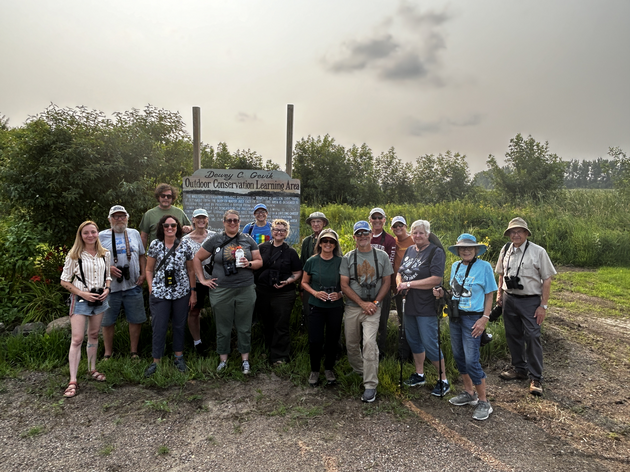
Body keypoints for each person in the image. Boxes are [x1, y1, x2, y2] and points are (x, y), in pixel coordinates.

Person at [434, 233, 498, 420]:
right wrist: (441, 294)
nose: (466, 250)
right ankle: (469, 393)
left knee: (472, 360)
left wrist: (484, 318)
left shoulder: (485, 267)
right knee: (459, 356)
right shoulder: (455, 266)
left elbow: (489, 294)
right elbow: (455, 293)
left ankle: (484, 401)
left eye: (469, 247)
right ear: (458, 251)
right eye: (462, 248)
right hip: (455, 317)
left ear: (476, 249)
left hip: (473, 319)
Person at [193, 210, 263, 374]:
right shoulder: (215, 239)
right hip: (221, 290)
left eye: (236, 221)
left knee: (244, 326)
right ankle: (223, 359)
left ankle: (244, 360)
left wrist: (249, 264)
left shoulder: (247, 239)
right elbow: (197, 258)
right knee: (222, 327)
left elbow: (259, 261)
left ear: (240, 222)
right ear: (224, 222)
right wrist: (203, 280)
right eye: (229, 221)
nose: (233, 223)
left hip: (245, 288)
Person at [496, 217, 556, 396]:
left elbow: (547, 279)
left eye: (519, 231)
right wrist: (500, 294)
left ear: (526, 233)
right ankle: (519, 369)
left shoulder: (538, 252)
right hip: (509, 298)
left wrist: (543, 306)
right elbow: (501, 274)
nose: (515, 235)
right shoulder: (505, 249)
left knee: (532, 336)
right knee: (512, 334)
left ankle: (536, 377)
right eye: (512, 232)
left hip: (530, 300)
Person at [340, 221, 393, 403]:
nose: (362, 236)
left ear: (371, 234)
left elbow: (387, 281)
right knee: (351, 343)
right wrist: (362, 303)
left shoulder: (382, 256)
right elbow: (344, 285)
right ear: (354, 237)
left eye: (366, 233)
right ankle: (359, 370)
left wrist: (375, 302)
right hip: (353, 307)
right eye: (359, 234)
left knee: (369, 343)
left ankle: (370, 384)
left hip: (373, 308)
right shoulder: (348, 257)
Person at [396, 219, 450, 397]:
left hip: (426, 305)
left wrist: (409, 285)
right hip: (409, 304)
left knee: (430, 343)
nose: (417, 236)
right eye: (415, 232)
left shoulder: (436, 252)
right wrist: (400, 284)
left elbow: (435, 279)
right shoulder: (410, 250)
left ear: (428, 234)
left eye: (421, 233)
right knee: (414, 340)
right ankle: (420, 374)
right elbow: (400, 272)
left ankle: (443, 379)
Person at [60, 221, 112, 397]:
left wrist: (107, 289)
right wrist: (82, 294)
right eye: (86, 233)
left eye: (93, 232)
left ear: (98, 233)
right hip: (81, 300)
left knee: (94, 334)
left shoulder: (105, 254)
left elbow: (108, 276)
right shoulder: (74, 255)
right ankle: (72, 380)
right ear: (80, 235)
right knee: (77, 338)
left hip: (100, 299)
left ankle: (92, 369)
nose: (90, 235)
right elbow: (64, 281)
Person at [144, 215, 197, 377]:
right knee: (159, 326)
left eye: (173, 225)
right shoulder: (155, 245)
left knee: (179, 326)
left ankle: (178, 357)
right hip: (160, 293)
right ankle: (156, 361)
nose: (170, 228)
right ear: (162, 227)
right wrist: (152, 288)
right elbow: (149, 269)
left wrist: (193, 292)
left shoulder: (185, 245)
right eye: (166, 225)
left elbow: (190, 270)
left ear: (177, 227)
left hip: (181, 292)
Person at [99, 205, 147, 360]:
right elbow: (94, 259)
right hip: (110, 288)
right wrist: (109, 268)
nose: (119, 219)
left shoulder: (133, 233)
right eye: (115, 216)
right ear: (109, 219)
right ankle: (108, 353)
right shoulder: (101, 236)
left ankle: (134, 352)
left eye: (122, 216)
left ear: (127, 217)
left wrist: (143, 274)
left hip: (133, 285)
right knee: (107, 322)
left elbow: (141, 255)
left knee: (136, 320)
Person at [255, 219, 302, 365]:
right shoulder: (261, 248)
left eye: (282, 230)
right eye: (276, 229)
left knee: (280, 324)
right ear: (272, 231)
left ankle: (280, 356)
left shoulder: (291, 252)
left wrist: (288, 281)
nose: (279, 232)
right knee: (266, 322)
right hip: (263, 291)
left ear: (286, 233)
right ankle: (268, 349)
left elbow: (297, 272)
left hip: (284, 293)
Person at [301, 229, 344, 386]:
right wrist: (315, 293)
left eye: (331, 241)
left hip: (335, 306)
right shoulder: (311, 261)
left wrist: (340, 294)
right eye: (324, 241)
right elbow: (304, 282)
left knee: (332, 339)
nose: (327, 244)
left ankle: (329, 368)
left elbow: (347, 284)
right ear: (319, 243)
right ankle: (314, 370)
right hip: (316, 305)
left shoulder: (341, 261)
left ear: (335, 244)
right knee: (315, 339)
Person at [183, 208, 216, 355]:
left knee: (220, 311)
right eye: (198, 218)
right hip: (195, 281)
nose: (201, 220)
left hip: (214, 279)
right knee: (194, 311)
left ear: (207, 219)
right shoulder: (185, 240)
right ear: (193, 220)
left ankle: (220, 339)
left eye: (204, 218)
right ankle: (198, 342)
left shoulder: (215, 236)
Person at [368, 208, 397, 359]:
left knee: (382, 321)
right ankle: (367, 349)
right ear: (370, 220)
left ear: (384, 220)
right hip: (365, 286)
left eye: (380, 217)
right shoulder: (365, 236)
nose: (377, 220)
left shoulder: (390, 240)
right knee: (366, 318)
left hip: (383, 286)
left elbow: (390, 264)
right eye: (374, 217)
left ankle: (381, 352)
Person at [299, 212, 329, 329]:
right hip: (309, 282)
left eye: (318, 221)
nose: (316, 224)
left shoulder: (329, 238)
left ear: (324, 223)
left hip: (327, 282)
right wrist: (301, 286)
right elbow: (302, 263)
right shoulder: (307, 241)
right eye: (313, 222)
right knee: (309, 311)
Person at [139, 183, 192, 248]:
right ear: (158, 197)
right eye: (163, 196)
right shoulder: (149, 214)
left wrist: (188, 228)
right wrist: (142, 255)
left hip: (178, 253)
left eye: (169, 196)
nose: (166, 198)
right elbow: (144, 236)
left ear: (172, 198)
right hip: (156, 253)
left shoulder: (179, 212)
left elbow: (191, 228)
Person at [391, 216, 414, 360]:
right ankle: (404, 353)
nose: (398, 228)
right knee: (402, 319)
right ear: (391, 228)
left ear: (406, 226)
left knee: (413, 319)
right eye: (395, 226)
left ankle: (415, 352)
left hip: (414, 287)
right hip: (398, 287)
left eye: (401, 225)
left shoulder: (414, 239)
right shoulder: (392, 242)